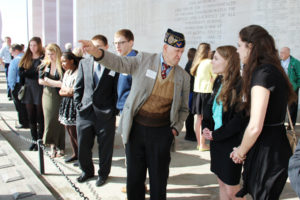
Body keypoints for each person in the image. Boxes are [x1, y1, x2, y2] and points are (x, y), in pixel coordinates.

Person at [79, 28, 190, 200]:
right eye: (177, 51)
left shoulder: (183, 76)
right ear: (165, 48)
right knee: (134, 179)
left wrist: (175, 129)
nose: (179, 56)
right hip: (136, 131)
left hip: (161, 133)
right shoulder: (143, 60)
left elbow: (184, 108)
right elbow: (119, 63)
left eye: (182, 52)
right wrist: (96, 52)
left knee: (159, 180)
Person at [230, 25, 297, 199]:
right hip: (273, 146)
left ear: (250, 46)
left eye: (239, 45)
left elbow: (255, 126)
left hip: (267, 152)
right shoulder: (273, 69)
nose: (237, 51)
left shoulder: (262, 73)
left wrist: (240, 152)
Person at [74, 35, 119, 187]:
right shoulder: (84, 63)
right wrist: (78, 106)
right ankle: (86, 171)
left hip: (105, 114)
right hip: (85, 113)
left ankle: (103, 174)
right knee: (83, 145)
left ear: (106, 47)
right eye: (92, 46)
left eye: (98, 47)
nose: (94, 49)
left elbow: (116, 91)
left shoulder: (114, 65)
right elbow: (78, 87)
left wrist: (113, 110)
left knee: (105, 147)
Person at [202, 45, 247, 200]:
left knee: (232, 190)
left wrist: (216, 134)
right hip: (217, 141)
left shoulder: (239, 84)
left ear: (228, 62)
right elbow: (210, 107)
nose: (212, 61)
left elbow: (238, 120)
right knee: (221, 183)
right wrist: (206, 128)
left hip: (230, 142)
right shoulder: (219, 80)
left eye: (216, 58)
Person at [39, 43, 65, 158]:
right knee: (49, 120)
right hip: (47, 95)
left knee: (60, 121)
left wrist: (49, 81)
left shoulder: (62, 65)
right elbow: (40, 81)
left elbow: (63, 83)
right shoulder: (44, 65)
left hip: (60, 96)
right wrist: (54, 83)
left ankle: (61, 146)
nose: (50, 56)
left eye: (52, 54)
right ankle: (52, 145)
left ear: (57, 53)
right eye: (48, 54)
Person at [19, 37, 45, 151]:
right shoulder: (27, 57)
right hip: (28, 89)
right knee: (31, 116)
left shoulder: (43, 58)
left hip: (39, 88)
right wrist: (29, 73)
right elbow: (21, 73)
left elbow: (39, 74)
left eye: (34, 45)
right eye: (30, 45)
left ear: (39, 45)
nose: (32, 47)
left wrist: (27, 73)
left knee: (40, 116)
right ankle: (33, 140)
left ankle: (40, 140)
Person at [190, 43, 216, 151]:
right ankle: (203, 144)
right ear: (207, 51)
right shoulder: (209, 62)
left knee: (198, 119)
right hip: (206, 92)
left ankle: (199, 143)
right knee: (205, 119)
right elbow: (215, 76)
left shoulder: (197, 63)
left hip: (197, 93)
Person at [58, 52, 81, 163]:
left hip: (74, 104)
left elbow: (74, 91)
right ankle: (75, 153)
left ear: (71, 60)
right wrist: (66, 91)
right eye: (61, 62)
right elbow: (62, 89)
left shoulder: (78, 73)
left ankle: (82, 156)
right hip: (66, 103)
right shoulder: (67, 73)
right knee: (68, 130)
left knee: (74, 132)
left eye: (64, 61)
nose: (62, 64)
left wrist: (66, 91)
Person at [114, 29, 138, 113]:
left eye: (121, 42)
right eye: (115, 43)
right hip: (122, 110)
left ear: (131, 43)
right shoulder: (119, 61)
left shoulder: (136, 62)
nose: (117, 46)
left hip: (132, 110)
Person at [7, 44, 29, 129]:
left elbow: (12, 75)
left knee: (19, 105)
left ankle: (23, 122)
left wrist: (11, 87)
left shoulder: (15, 60)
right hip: (27, 84)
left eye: (11, 52)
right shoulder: (27, 58)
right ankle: (29, 121)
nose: (11, 54)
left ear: (16, 51)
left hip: (17, 85)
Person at [279, 47, 300, 127]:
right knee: (281, 105)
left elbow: (299, 75)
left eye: (283, 53)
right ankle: (281, 123)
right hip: (281, 86)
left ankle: (291, 125)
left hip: (292, 87)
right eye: (280, 52)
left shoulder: (295, 63)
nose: (281, 54)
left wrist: (296, 85)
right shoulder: (279, 62)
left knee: (293, 106)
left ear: (288, 53)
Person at [184, 47, 197, 141]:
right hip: (191, 92)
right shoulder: (191, 64)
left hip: (189, 91)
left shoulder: (188, 63)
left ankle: (189, 133)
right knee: (190, 114)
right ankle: (189, 134)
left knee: (189, 114)